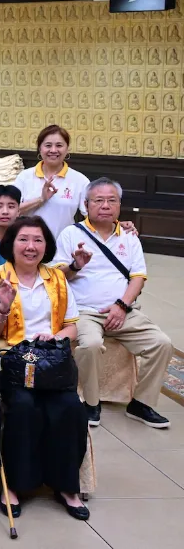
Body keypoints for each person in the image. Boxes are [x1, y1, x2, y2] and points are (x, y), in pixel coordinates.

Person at [0, 216, 89, 520]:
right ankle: (15, 485)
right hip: (12, 361)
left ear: (47, 246)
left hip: (50, 361)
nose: (31, 247)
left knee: (70, 408)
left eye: (38, 240)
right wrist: (3, 306)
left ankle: (66, 486)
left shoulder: (58, 278)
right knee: (24, 408)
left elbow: (72, 328)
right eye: (24, 240)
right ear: (11, 244)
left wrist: (55, 337)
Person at [53, 179, 171, 429]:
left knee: (161, 344)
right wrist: (75, 265)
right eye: (98, 200)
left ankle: (141, 403)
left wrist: (122, 305)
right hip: (85, 311)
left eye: (111, 200)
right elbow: (58, 276)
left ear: (119, 205)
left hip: (124, 311)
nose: (105, 205)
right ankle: (91, 402)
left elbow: (138, 277)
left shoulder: (129, 236)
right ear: (85, 205)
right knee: (91, 344)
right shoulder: (71, 234)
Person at [12, 124, 89, 237]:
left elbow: (92, 214)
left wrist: (116, 225)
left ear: (67, 148)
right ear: (40, 148)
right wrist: (41, 199)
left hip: (63, 247)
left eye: (59, 145)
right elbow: (12, 211)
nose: (53, 150)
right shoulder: (25, 177)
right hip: (29, 245)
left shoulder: (80, 180)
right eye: (48, 145)